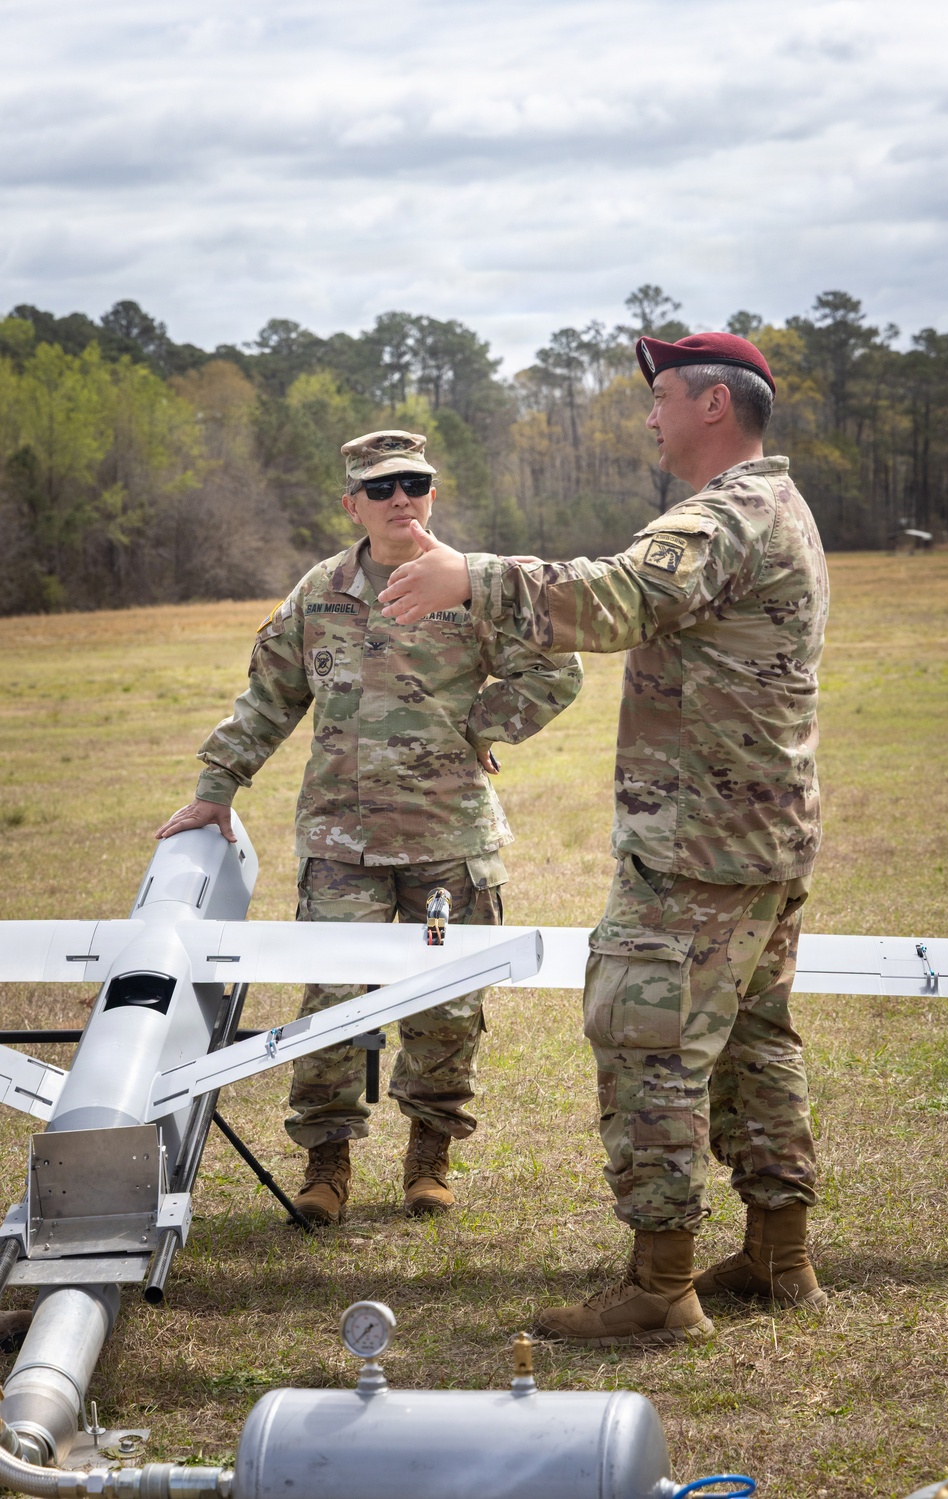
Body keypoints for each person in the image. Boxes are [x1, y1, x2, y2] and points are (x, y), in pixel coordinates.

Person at [379, 335, 830, 1345]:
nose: (647, 414)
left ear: (715, 404)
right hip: (757, 837)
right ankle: (778, 1252)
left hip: (699, 850)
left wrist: (473, 577)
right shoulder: (775, 505)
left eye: (660, 396)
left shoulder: (724, 513)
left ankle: (659, 1289)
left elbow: (622, 597)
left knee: (647, 1044)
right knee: (755, 1042)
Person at [155, 429, 582, 1225]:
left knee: (447, 1003)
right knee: (331, 1002)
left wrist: (483, 723)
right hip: (341, 844)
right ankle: (326, 1164)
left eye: (414, 484)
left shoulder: (470, 584)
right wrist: (219, 785)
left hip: (449, 843)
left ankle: (430, 1156)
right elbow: (270, 694)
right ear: (351, 502)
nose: (401, 500)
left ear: (433, 493)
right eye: (381, 488)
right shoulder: (320, 592)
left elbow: (560, 666)